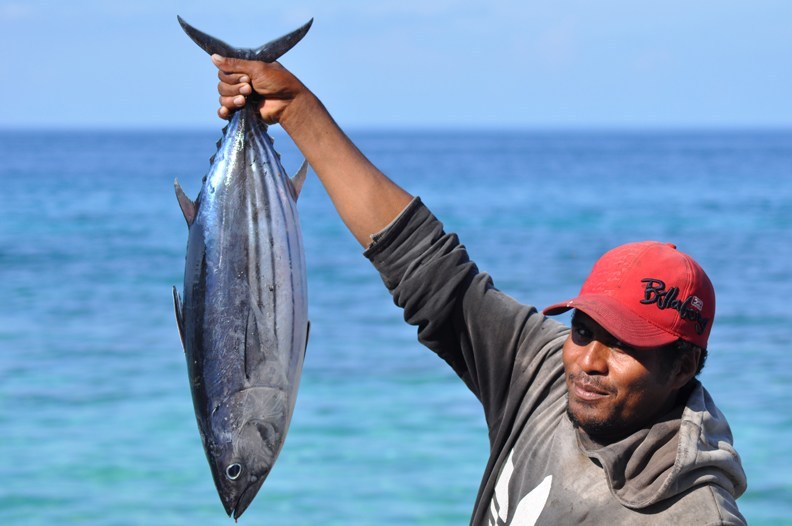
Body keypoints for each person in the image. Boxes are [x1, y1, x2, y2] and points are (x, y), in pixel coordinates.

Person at [210, 54, 747, 525]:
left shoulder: (693, 516)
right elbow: (426, 268)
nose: (590, 361)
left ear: (683, 367)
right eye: (583, 330)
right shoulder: (544, 375)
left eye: (625, 346)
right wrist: (297, 108)